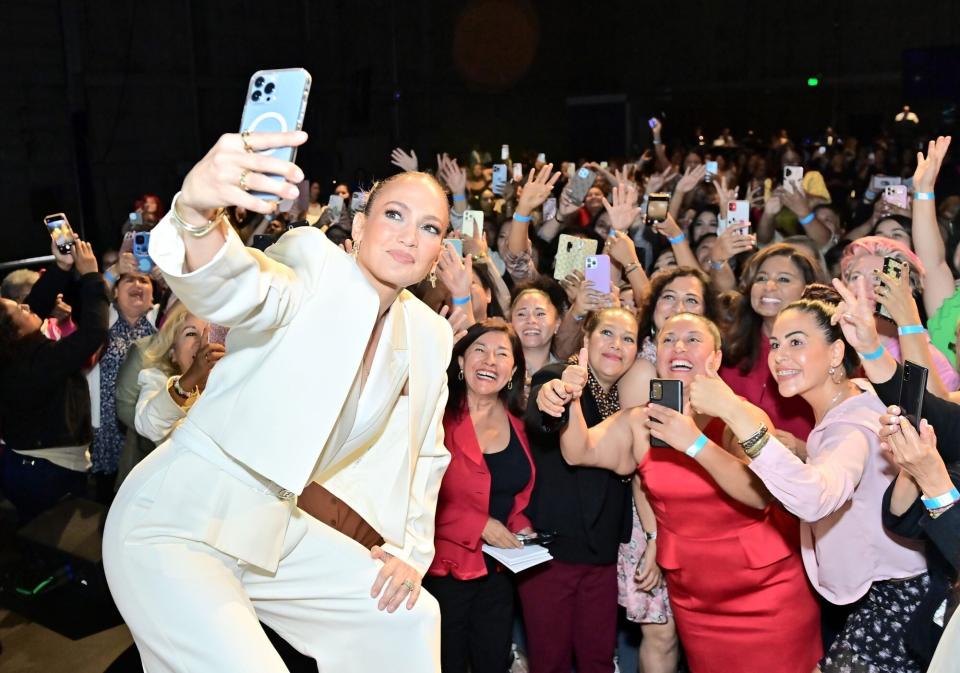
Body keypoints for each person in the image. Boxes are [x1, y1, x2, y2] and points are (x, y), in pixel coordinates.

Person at [102, 128, 453, 673]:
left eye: (429, 227)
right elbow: (242, 286)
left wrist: (410, 552)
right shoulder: (314, 262)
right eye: (394, 215)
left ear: (438, 253)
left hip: (274, 529)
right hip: (176, 518)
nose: (409, 235)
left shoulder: (429, 334)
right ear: (358, 227)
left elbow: (428, 452)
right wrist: (196, 212)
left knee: (408, 617)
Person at [546, 312, 821, 673]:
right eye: (667, 339)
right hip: (695, 597)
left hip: (765, 591)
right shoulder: (639, 420)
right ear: (656, 356)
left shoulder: (739, 415)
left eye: (693, 339)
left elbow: (758, 495)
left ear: (716, 358)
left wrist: (693, 443)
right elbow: (579, 451)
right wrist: (572, 400)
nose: (678, 346)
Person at [697, 286, 929, 673]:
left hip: (895, 602)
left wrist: (734, 413)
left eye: (797, 342)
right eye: (776, 343)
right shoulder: (863, 396)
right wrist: (806, 451)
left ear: (836, 353)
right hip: (893, 591)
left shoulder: (851, 427)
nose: (780, 356)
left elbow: (816, 497)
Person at [520, 308, 638, 673]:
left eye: (628, 338)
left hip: (602, 557)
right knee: (549, 661)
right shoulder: (561, 376)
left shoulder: (627, 399)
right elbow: (542, 408)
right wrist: (555, 397)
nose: (616, 345)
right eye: (607, 334)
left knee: (598, 659)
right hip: (553, 555)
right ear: (586, 340)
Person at [424, 319, 534, 673]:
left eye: (502, 354)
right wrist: (479, 524)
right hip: (443, 571)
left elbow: (516, 493)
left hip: (499, 574)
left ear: (513, 369)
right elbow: (417, 492)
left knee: (492, 662)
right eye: (480, 351)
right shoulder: (434, 416)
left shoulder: (519, 423)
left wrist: (522, 530)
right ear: (460, 361)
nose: (490, 361)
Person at [0, 239, 107, 522]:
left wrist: (61, 267)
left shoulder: (12, 350)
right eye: (19, 310)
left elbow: (35, 304)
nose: (27, 308)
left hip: (26, 463)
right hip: (45, 472)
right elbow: (93, 333)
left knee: (38, 542)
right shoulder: (34, 363)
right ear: (14, 333)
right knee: (59, 551)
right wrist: (91, 277)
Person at [719, 243, 821, 443]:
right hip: (728, 464)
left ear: (808, 290)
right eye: (761, 278)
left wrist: (802, 449)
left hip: (804, 468)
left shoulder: (823, 351)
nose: (769, 286)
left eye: (783, 279)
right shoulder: (727, 346)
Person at [89, 269, 158, 499]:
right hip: (105, 427)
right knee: (105, 496)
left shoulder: (161, 323)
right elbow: (94, 293)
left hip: (141, 428)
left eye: (144, 281)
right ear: (115, 292)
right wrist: (115, 268)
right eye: (129, 280)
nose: (137, 284)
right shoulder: (101, 320)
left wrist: (166, 275)